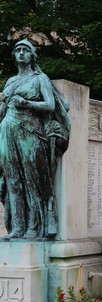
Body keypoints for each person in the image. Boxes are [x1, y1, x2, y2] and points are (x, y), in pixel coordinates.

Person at [0, 39, 70, 239]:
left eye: (25, 50)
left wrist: (27, 103)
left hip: (30, 131)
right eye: (18, 50)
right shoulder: (10, 82)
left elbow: (50, 105)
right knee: (13, 179)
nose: (21, 53)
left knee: (33, 181)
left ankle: (34, 226)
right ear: (14, 56)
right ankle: (17, 228)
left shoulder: (40, 79)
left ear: (32, 56)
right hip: (7, 130)